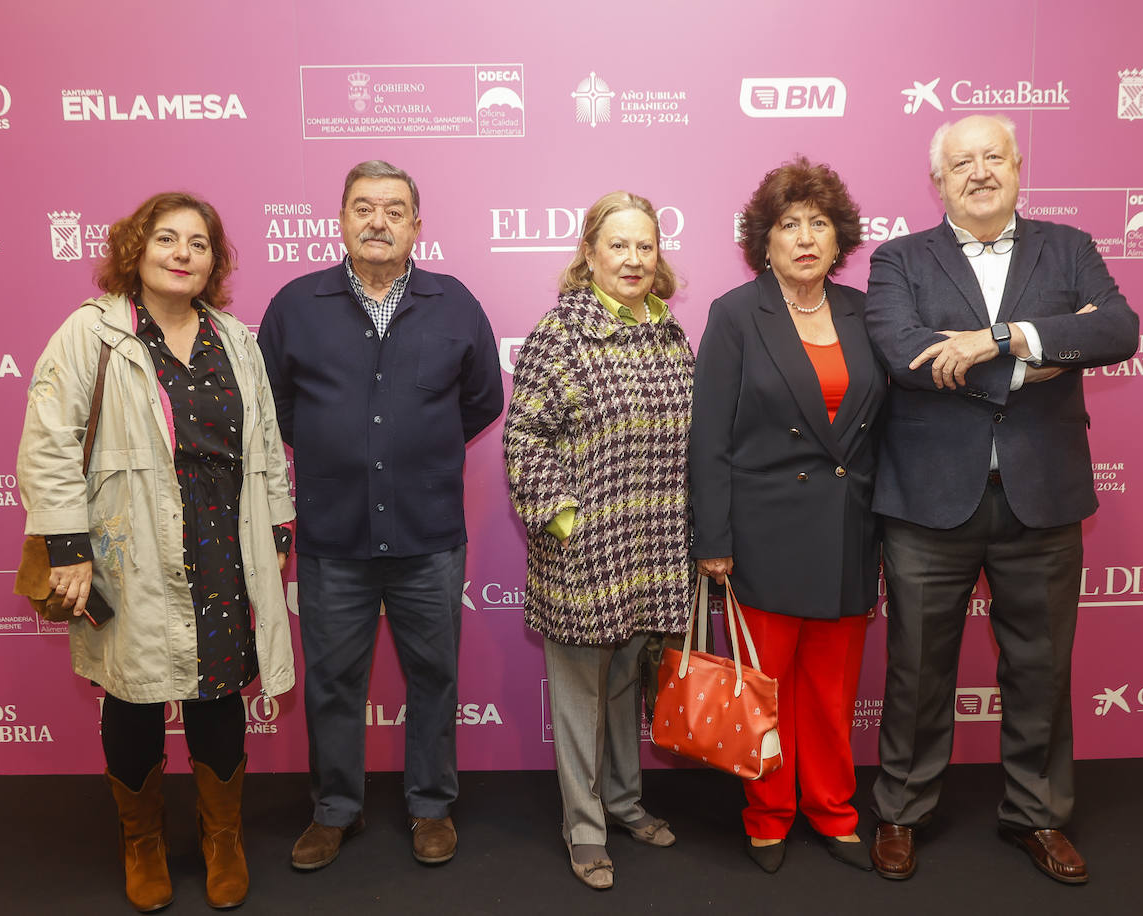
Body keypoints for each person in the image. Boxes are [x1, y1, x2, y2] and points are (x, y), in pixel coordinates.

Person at [862, 114, 1139, 885]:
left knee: (1041, 670)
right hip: (927, 504)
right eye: (962, 163)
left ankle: (1039, 815)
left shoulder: (1070, 247)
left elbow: (1118, 329)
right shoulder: (899, 259)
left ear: (1018, 167)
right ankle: (902, 812)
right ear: (938, 182)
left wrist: (999, 338)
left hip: (1042, 498)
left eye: (993, 158)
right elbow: (906, 353)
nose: (980, 172)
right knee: (917, 670)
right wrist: (1044, 354)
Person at [17, 192, 296, 911]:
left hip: (222, 540)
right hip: (125, 544)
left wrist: (276, 527)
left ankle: (221, 838)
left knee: (219, 690)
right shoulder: (92, 333)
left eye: (198, 244)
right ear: (135, 252)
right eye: (166, 239)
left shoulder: (235, 340)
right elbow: (48, 443)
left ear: (214, 261)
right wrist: (70, 548)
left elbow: (264, 444)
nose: (182, 253)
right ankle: (141, 842)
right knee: (133, 692)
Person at [259, 161, 503, 872]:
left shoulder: (454, 303)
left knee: (435, 678)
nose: (378, 221)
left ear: (416, 226)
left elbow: (482, 401)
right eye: (364, 207)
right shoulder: (296, 305)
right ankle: (336, 809)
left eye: (394, 210)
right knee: (334, 683)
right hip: (334, 538)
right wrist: (344, 444)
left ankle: (431, 806)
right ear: (340, 220)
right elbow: (273, 404)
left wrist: (413, 445)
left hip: (428, 538)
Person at [689, 157, 886, 875]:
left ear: (840, 240)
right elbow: (708, 437)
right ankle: (768, 813)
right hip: (762, 537)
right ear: (763, 242)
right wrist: (713, 539)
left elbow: (888, 428)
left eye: (819, 224)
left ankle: (834, 810)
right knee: (763, 691)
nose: (805, 238)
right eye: (788, 225)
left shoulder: (869, 313)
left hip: (848, 531)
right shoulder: (737, 315)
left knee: (832, 697)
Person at [504, 191, 694, 890]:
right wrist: (563, 521)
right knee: (580, 700)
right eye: (619, 245)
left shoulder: (672, 334)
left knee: (623, 691)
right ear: (589, 255)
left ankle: (624, 803)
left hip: (654, 549)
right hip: (584, 553)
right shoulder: (560, 334)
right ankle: (585, 830)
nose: (634, 259)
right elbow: (524, 437)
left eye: (645, 246)